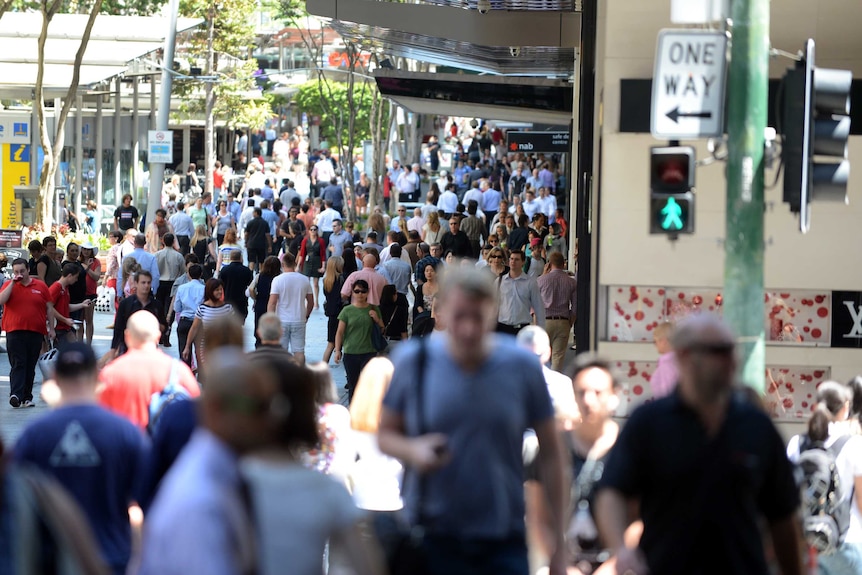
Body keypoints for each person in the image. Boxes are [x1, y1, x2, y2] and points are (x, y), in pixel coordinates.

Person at [378, 266, 568, 575]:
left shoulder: (521, 367)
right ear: (442, 312)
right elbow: (385, 434)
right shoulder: (415, 361)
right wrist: (414, 451)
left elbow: (553, 456)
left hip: (502, 537)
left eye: (477, 317)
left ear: (492, 313)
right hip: (432, 535)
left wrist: (558, 544)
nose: (468, 329)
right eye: (459, 316)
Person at [595, 314, 803, 575]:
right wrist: (621, 549)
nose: (731, 360)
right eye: (719, 351)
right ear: (683, 356)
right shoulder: (648, 423)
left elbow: (783, 515)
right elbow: (612, 491)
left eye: (732, 350)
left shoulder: (756, 426)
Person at [14, 342, 150, 575]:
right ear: (96, 377)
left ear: (54, 377)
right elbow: (144, 505)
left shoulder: (33, 435)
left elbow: (13, 503)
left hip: (53, 564)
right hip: (113, 560)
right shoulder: (125, 432)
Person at [136, 350, 276, 574]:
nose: (267, 420)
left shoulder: (220, 473)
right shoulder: (202, 503)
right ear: (213, 409)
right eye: (255, 407)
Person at [787, 381, 862, 574]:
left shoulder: (796, 443)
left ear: (816, 405)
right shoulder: (854, 444)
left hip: (808, 541)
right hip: (847, 540)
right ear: (845, 409)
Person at [100, 311, 199, 429]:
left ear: (127, 336)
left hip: (125, 444)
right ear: (158, 336)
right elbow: (197, 414)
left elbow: (99, 420)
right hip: (164, 444)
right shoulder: (179, 372)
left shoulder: (110, 374)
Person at [1, 258, 55, 408]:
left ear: (28, 270)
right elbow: (1, 300)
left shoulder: (40, 286)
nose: (19, 274)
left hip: (35, 331)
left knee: (30, 365)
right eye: (16, 271)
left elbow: (49, 308)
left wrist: (51, 328)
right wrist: (12, 283)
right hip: (14, 330)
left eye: (22, 271)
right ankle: (16, 394)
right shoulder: (8, 285)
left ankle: (26, 397)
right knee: (19, 363)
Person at [334, 279, 383, 402]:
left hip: (369, 352)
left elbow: (382, 329)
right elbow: (339, 332)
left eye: (363, 291)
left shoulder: (373, 309)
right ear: (352, 293)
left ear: (367, 292)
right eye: (357, 291)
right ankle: (353, 411)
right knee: (353, 385)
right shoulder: (347, 311)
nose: (360, 294)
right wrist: (337, 350)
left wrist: (376, 319)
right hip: (351, 352)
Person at [267, 253, 314, 363]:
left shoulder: (277, 280)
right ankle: (299, 376)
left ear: (283, 264)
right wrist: (306, 315)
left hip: (281, 320)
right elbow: (311, 302)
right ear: (295, 263)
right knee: (299, 351)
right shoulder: (304, 280)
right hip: (299, 319)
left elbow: (272, 303)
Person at [182, 278, 235, 370]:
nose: (219, 292)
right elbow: (194, 328)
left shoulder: (227, 308)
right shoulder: (202, 308)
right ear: (210, 291)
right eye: (216, 290)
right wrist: (187, 346)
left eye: (220, 289)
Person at [537, 251, 577, 371]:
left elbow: (535, 303)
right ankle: (555, 384)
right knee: (558, 356)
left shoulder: (541, 280)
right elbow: (575, 306)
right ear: (563, 264)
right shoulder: (571, 282)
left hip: (545, 320)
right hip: (563, 321)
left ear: (549, 264)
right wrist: (570, 322)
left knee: (543, 355)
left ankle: (543, 383)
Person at [110, 270, 164, 357]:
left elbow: (163, 325)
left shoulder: (156, 305)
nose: (146, 286)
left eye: (148, 283)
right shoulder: (126, 304)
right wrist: (114, 349)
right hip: (128, 348)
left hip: (149, 348)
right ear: (136, 283)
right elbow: (118, 328)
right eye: (143, 282)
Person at [497, 250, 545, 335]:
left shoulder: (530, 282)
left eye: (516, 259)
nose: (513, 262)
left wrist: (541, 331)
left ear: (523, 262)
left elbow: (539, 307)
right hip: (503, 328)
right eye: (511, 259)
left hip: (522, 329)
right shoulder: (500, 281)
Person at [50, 263, 95, 350]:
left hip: (65, 327)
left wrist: (82, 305)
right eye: (76, 277)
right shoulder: (56, 288)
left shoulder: (65, 288)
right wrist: (64, 319)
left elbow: (66, 307)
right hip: (59, 328)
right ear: (70, 276)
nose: (76, 280)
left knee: (75, 350)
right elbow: (49, 307)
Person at [155, 233, 186, 347]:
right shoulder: (178, 256)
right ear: (173, 242)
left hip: (160, 284)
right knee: (170, 311)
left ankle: (159, 335)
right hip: (173, 283)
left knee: (159, 309)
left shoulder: (157, 255)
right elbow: (183, 272)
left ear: (163, 241)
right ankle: (166, 335)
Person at [174, 264, 205, 368]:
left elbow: (177, 307)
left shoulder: (182, 288)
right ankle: (202, 376)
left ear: (188, 275)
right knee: (200, 352)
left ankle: (186, 376)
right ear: (201, 274)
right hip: (199, 322)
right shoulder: (204, 289)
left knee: (184, 351)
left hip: (184, 321)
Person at [248, 256, 281, 349]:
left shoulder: (259, 276)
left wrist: (255, 298)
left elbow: (251, 289)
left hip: (261, 304)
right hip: (275, 306)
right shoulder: (279, 277)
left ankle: (259, 345)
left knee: (259, 325)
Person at [218, 249, 253, 324]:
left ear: (230, 258)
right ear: (241, 258)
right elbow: (250, 285)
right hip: (241, 301)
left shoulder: (224, 270)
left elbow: (219, 284)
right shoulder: (246, 271)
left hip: (227, 300)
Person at [322, 256, 344, 364]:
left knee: (330, 343)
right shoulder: (341, 279)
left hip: (331, 313)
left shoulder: (326, 280)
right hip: (341, 312)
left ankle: (323, 366)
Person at [299, 225, 326, 309]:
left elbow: (323, 254)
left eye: (315, 229)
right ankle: (307, 301)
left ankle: (316, 301)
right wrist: (298, 265)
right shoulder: (305, 240)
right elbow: (302, 254)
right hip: (308, 261)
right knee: (306, 282)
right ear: (309, 231)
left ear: (317, 231)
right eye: (311, 229)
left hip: (317, 261)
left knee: (315, 283)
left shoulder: (321, 241)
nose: (313, 231)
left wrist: (323, 266)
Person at [649, 321, 679, 398]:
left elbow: (666, 393)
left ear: (663, 341)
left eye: (655, 341)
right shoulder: (681, 361)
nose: (655, 345)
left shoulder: (667, 364)